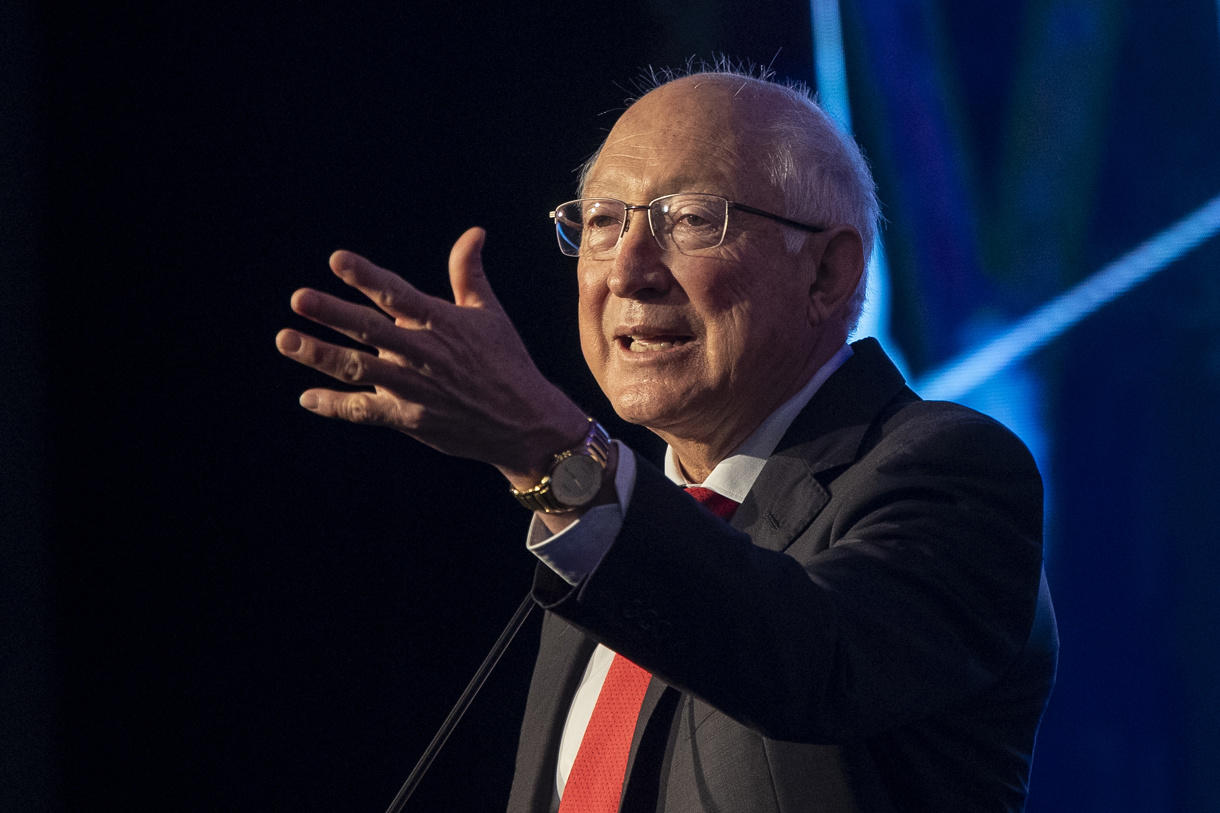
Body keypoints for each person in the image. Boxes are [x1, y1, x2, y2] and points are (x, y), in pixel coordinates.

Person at [276, 68, 1057, 812]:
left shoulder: (954, 474)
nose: (628, 271)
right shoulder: (606, 531)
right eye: (604, 223)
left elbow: (813, 663)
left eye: (690, 220)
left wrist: (554, 453)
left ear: (827, 272)